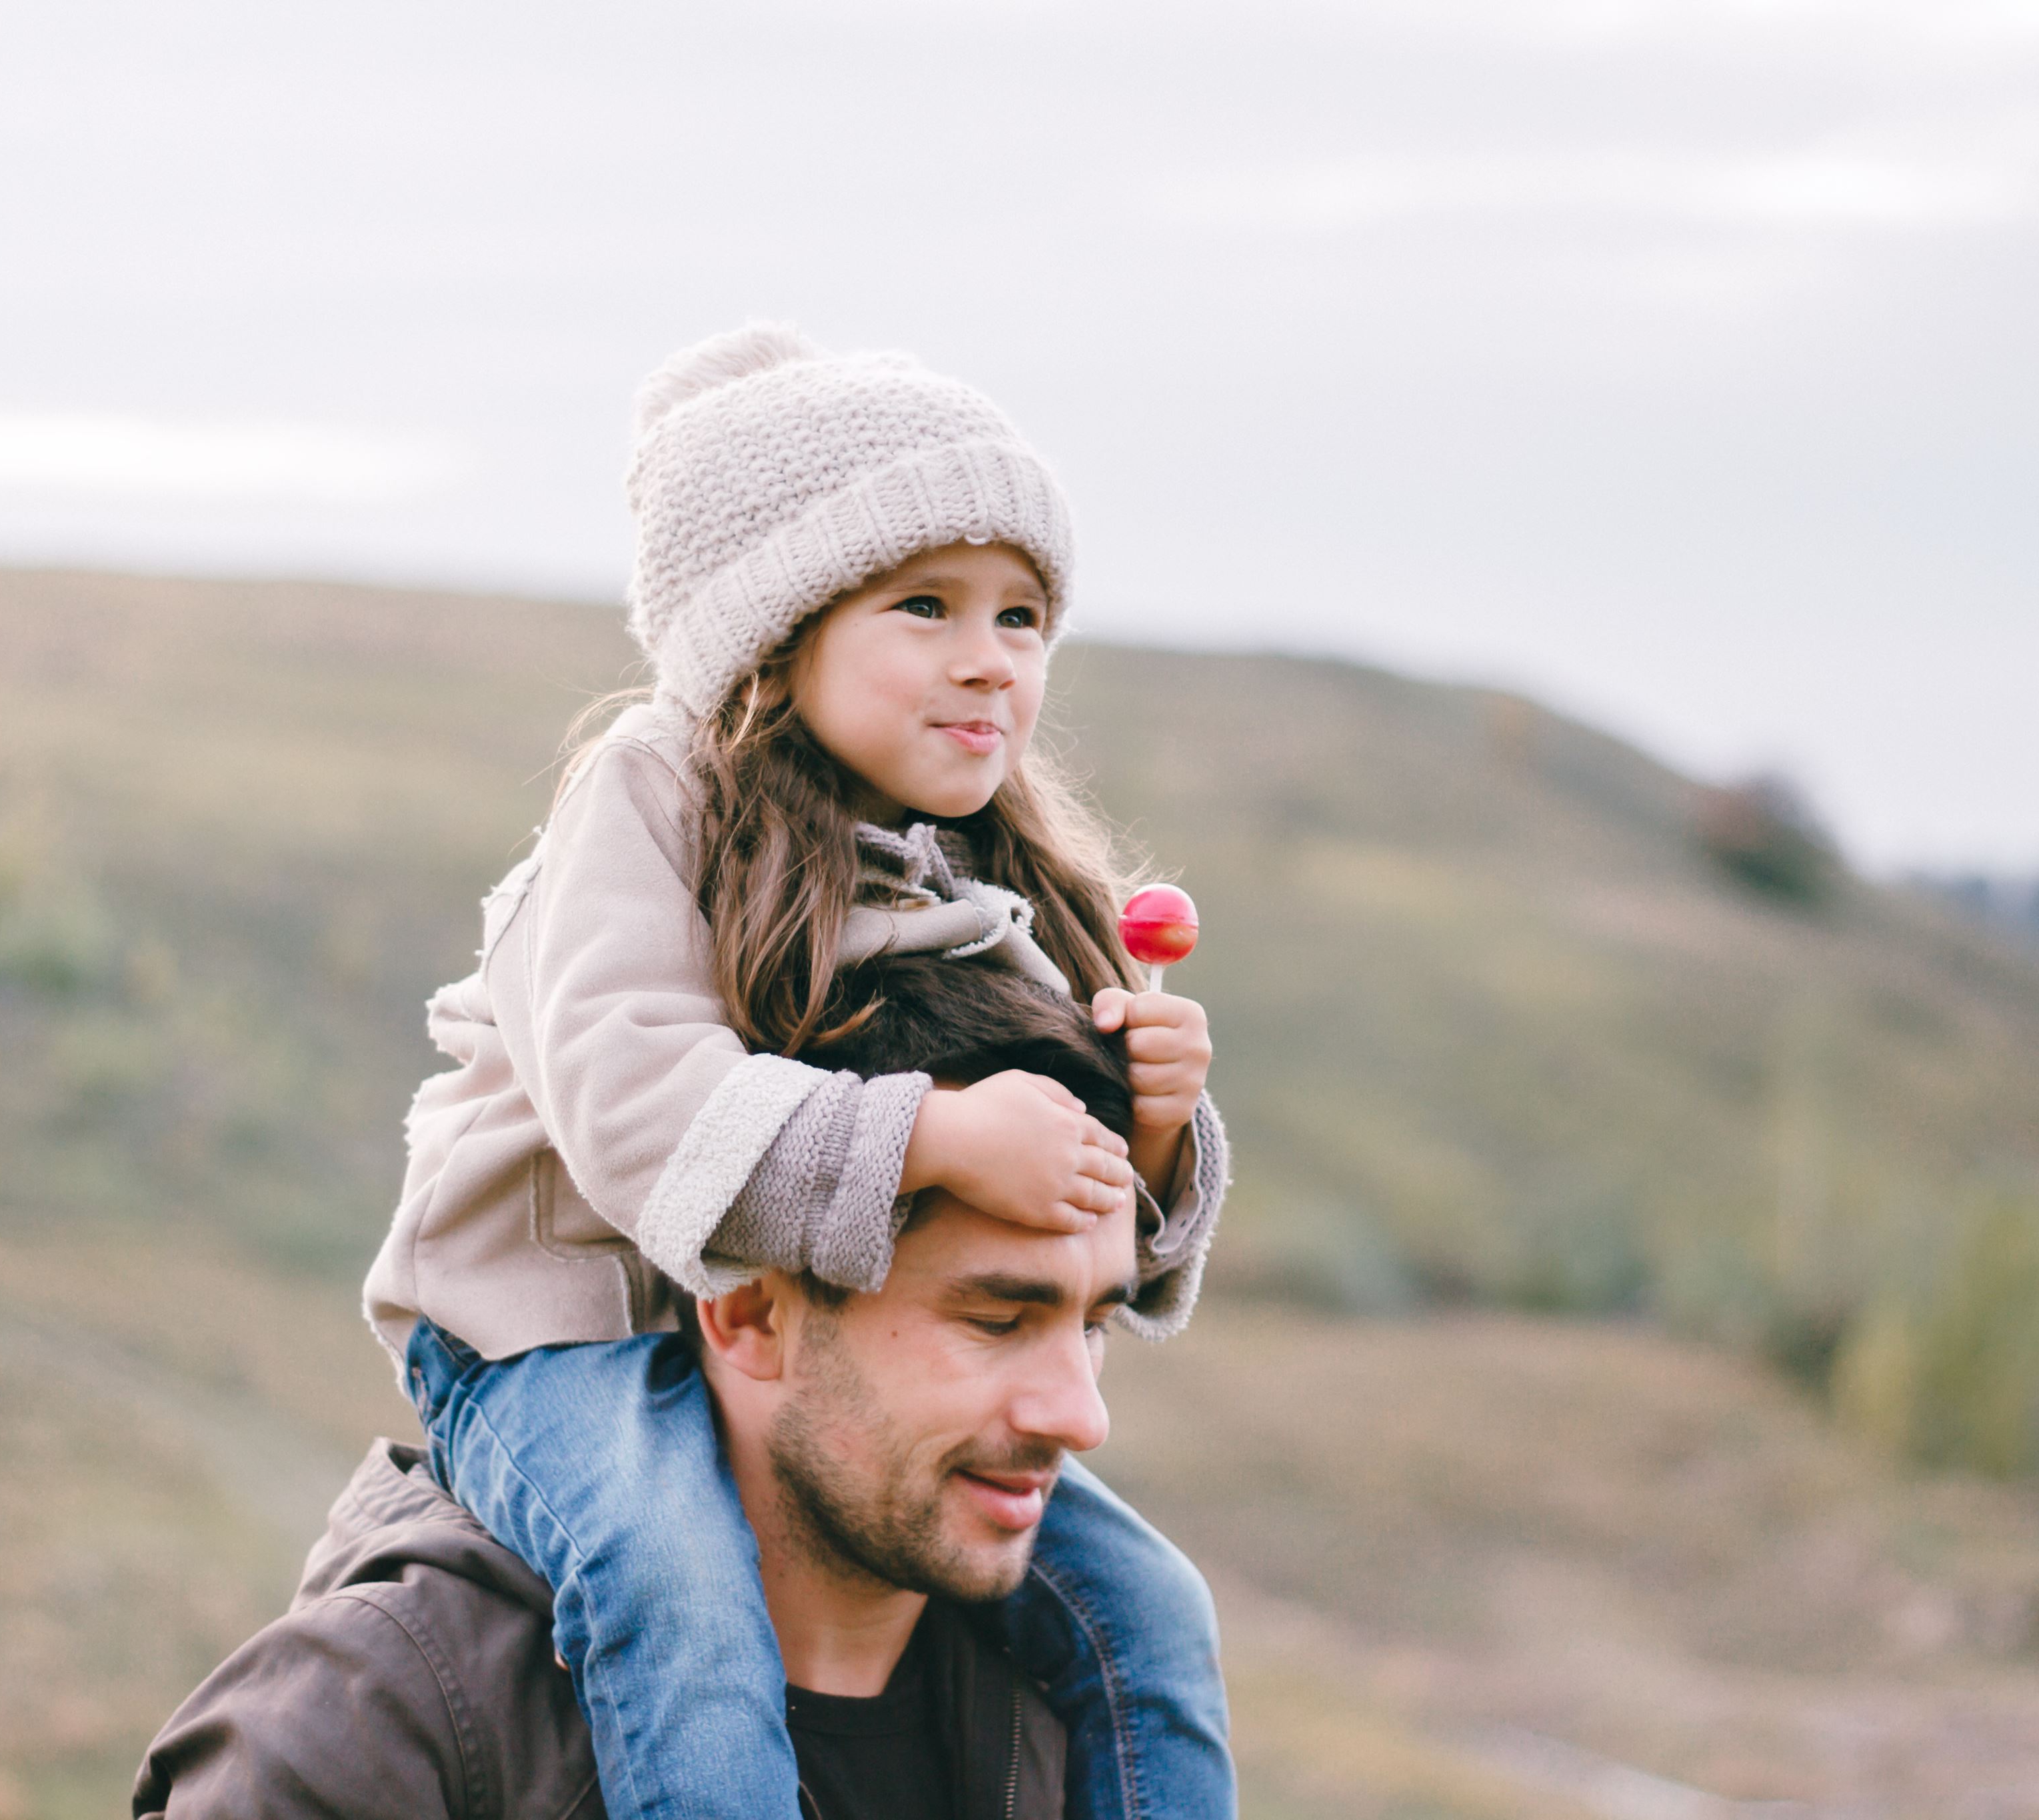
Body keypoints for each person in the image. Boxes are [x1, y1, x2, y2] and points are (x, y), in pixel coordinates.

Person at [359, 324, 1234, 1820]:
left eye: (1022, 615)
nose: (989, 657)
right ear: (770, 635)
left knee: (1146, 1613)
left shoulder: (975, 846)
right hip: (550, 1329)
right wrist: (936, 1137)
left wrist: (1152, 1133)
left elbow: (1075, 1222)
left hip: (788, 1357)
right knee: (679, 1598)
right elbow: (634, 1102)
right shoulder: (646, 795)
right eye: (925, 604)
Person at [141, 958, 1176, 1817]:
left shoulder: (1075, 1737)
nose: (1082, 1415)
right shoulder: (379, 1736)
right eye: (997, 1320)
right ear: (750, 1312)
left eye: (1093, 1325)